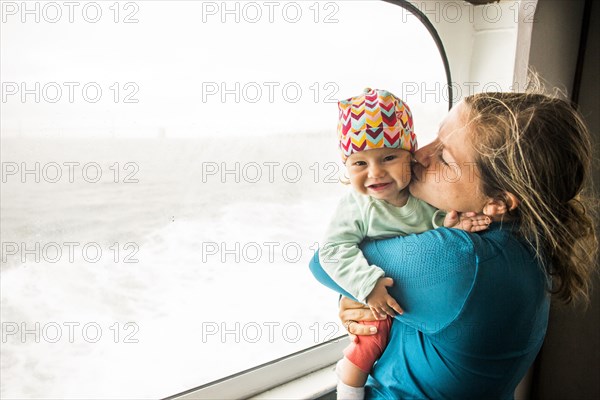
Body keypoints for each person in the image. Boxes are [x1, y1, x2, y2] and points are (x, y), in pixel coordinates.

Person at [310, 90, 597, 399]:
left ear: (498, 201)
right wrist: (354, 299)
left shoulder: (462, 260)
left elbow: (321, 262)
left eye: (445, 157)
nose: (419, 154)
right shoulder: (525, 239)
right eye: (436, 136)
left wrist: (353, 290)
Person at [320, 88, 489, 399]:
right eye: (359, 163)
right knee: (369, 341)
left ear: (409, 156)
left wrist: (453, 225)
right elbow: (331, 250)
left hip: (410, 294)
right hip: (379, 290)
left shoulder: (423, 194)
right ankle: (347, 387)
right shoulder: (357, 205)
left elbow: (435, 227)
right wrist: (365, 285)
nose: (375, 172)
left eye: (388, 157)